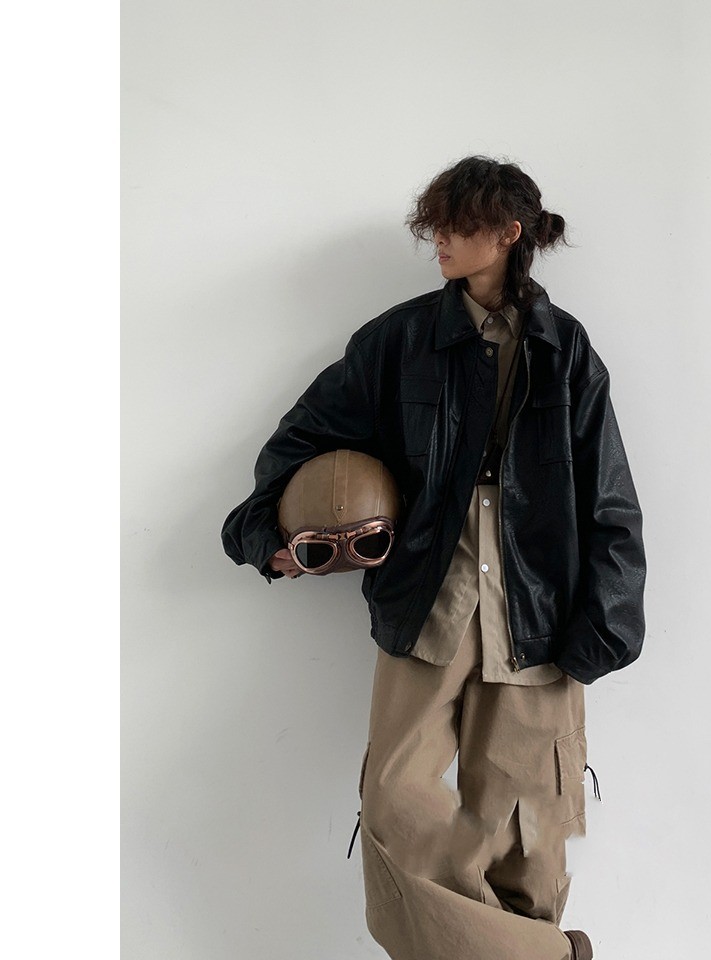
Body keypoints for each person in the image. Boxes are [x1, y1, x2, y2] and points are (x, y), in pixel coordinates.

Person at [221, 155, 646, 960]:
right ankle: (552, 958)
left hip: (538, 610)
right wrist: (263, 537)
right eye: (435, 225)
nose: (439, 240)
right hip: (427, 596)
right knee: (394, 808)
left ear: (509, 233)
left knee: (526, 829)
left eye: (457, 225)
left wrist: (607, 623)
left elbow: (609, 497)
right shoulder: (399, 340)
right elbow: (301, 438)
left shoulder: (564, 347)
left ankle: (524, 943)